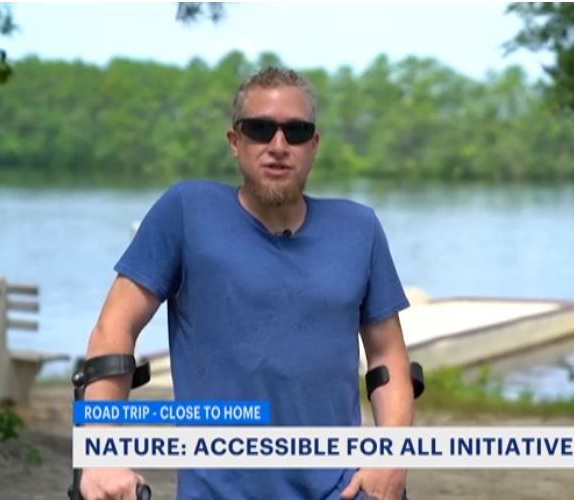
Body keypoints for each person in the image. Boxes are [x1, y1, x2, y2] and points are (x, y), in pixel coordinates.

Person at [79, 66, 415, 500]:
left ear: (314, 145)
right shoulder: (186, 211)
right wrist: (101, 451)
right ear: (235, 142)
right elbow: (113, 330)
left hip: (342, 489)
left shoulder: (359, 229)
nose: (278, 146)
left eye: (296, 132)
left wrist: (391, 459)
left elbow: (388, 359)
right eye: (260, 129)